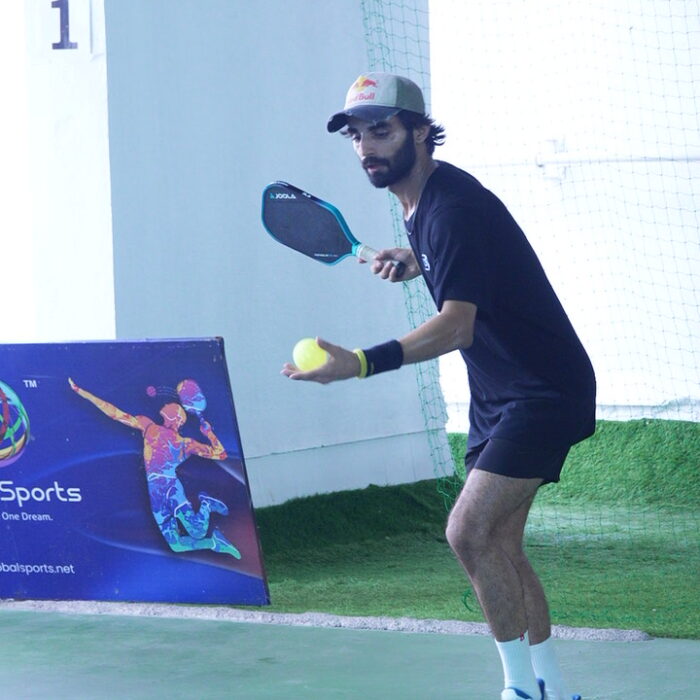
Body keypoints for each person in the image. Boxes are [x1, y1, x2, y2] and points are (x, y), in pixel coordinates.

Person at [281, 73, 594, 700]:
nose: (367, 147)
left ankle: (519, 689)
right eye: (356, 136)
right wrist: (418, 259)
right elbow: (470, 264)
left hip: (542, 391)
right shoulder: (426, 201)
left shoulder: (451, 209)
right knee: (501, 542)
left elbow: (456, 326)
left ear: (421, 132)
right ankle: (553, 690)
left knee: (467, 532)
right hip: (502, 390)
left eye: (382, 131)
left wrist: (360, 363)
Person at [69, 378, 241, 559]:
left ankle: (206, 504)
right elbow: (116, 413)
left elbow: (221, 454)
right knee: (176, 545)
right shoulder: (148, 426)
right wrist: (83, 393)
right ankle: (214, 543)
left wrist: (210, 434)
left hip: (170, 488)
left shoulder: (186, 444)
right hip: (154, 491)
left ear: (177, 419)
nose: (166, 404)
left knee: (197, 532)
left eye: (172, 406)